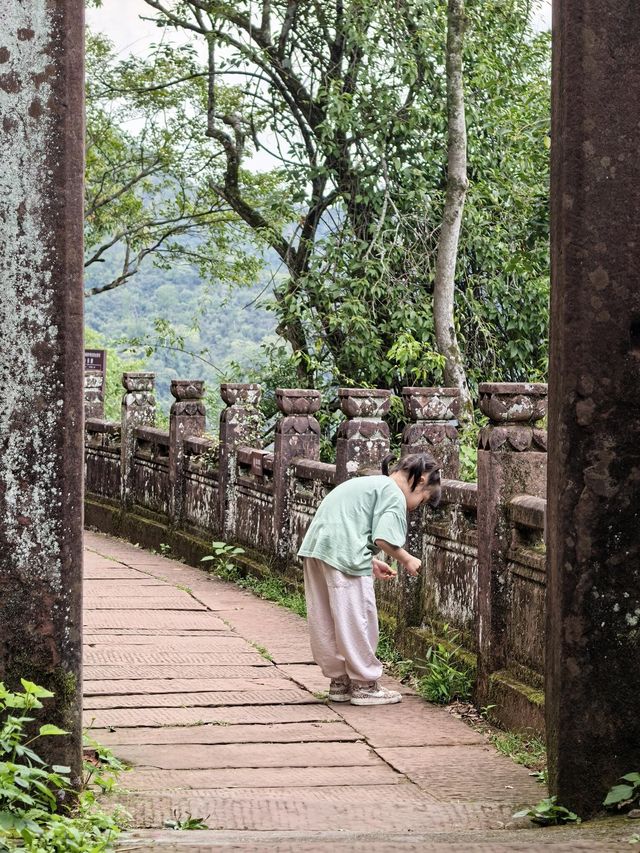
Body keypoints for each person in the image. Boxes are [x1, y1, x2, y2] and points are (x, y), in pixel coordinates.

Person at [298, 452, 441, 706]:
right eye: (422, 500)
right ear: (420, 481)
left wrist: (371, 561)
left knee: (324, 618)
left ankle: (339, 681)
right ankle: (365, 685)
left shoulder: (370, 483)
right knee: (356, 618)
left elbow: (351, 524)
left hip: (317, 548)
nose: (415, 507)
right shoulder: (394, 493)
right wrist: (407, 559)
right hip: (342, 553)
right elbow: (383, 538)